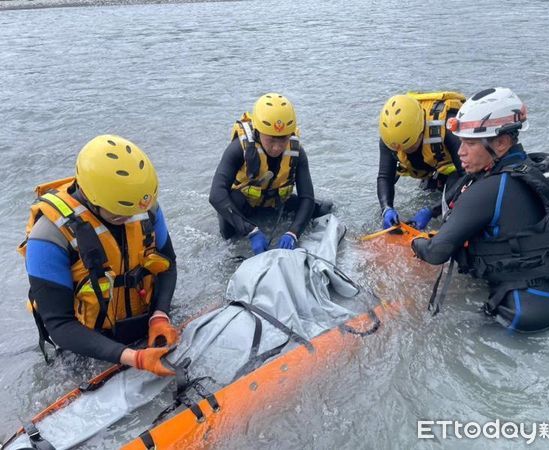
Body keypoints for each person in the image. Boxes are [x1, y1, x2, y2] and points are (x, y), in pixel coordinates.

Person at [411, 88, 549, 332]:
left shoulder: (490, 189)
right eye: (461, 141)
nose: (460, 151)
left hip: (518, 316)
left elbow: (436, 252)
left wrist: (415, 243)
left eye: (470, 143)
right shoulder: (538, 169)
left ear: (501, 142)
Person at [18, 135, 178, 376]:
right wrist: (132, 357)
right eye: (119, 214)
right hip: (87, 342)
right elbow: (59, 324)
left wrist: (160, 314)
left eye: (134, 212)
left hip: (147, 321)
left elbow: (168, 265)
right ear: (92, 197)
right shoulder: (48, 236)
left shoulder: (143, 208)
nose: (131, 218)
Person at [209, 93, 332, 254]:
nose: (277, 147)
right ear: (258, 132)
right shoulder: (239, 149)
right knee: (227, 224)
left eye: (283, 139)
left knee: (325, 208)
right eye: (271, 140)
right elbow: (216, 194)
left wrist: (293, 233)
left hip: (275, 202)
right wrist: (250, 231)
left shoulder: (296, 151)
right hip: (244, 205)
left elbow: (307, 197)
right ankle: (235, 253)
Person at [377, 91, 466, 230]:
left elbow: (469, 175)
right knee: (426, 194)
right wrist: (386, 209)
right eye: (400, 150)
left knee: (449, 210)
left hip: (456, 170)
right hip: (428, 168)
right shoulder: (391, 137)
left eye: (410, 146)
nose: (405, 152)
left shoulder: (447, 128)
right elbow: (385, 176)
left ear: (422, 130)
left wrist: (432, 210)